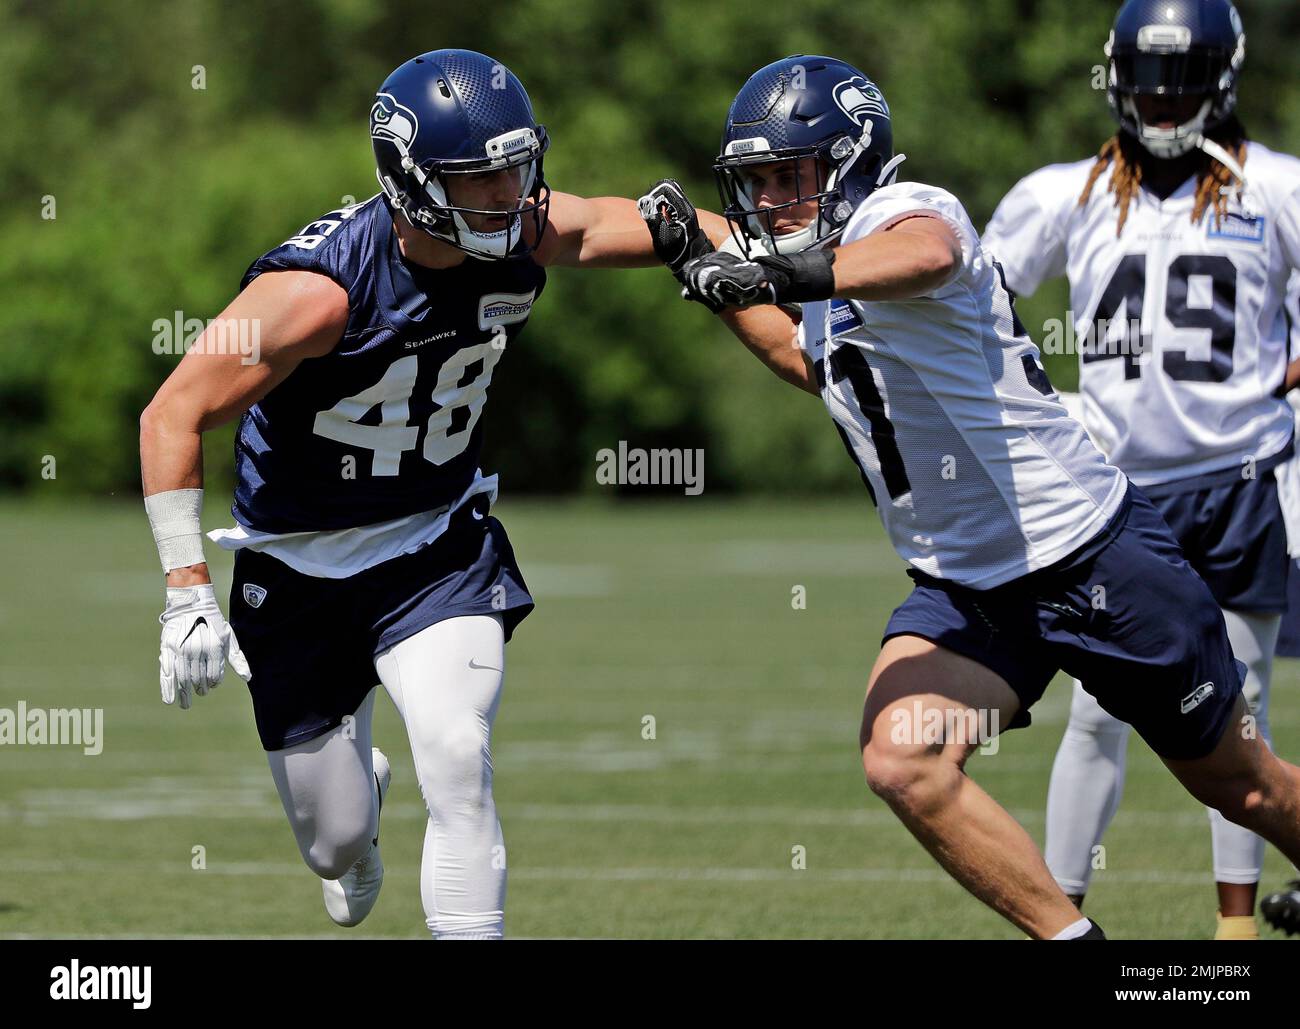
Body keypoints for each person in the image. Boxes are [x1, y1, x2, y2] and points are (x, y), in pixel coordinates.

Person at [640, 51, 1300, 939]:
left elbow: (927, 252)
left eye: (788, 177)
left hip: (1090, 552)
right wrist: (700, 269)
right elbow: (806, 360)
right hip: (970, 583)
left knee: (1243, 784)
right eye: (754, 183)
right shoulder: (827, 275)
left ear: (849, 162)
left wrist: (786, 276)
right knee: (903, 761)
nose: (769, 204)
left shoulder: (906, 214)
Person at [140, 48, 676, 939]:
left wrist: (782, 256)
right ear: (412, 182)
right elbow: (172, 413)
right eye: (480, 178)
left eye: (516, 167)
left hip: (436, 545)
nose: (510, 196)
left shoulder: (519, 232)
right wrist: (186, 590)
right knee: (334, 843)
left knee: (459, 753)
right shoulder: (314, 295)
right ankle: (362, 803)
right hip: (297, 567)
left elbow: (646, 226)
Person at [983, 0, 1300, 939]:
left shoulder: (1273, 187)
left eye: (1183, 79)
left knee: (1238, 716)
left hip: (1240, 480)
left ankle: (1234, 927)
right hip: (1114, 498)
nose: (1164, 102)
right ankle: (1062, 916)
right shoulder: (1068, 193)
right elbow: (978, 298)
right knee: (1094, 714)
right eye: (1149, 80)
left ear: (1223, 75)